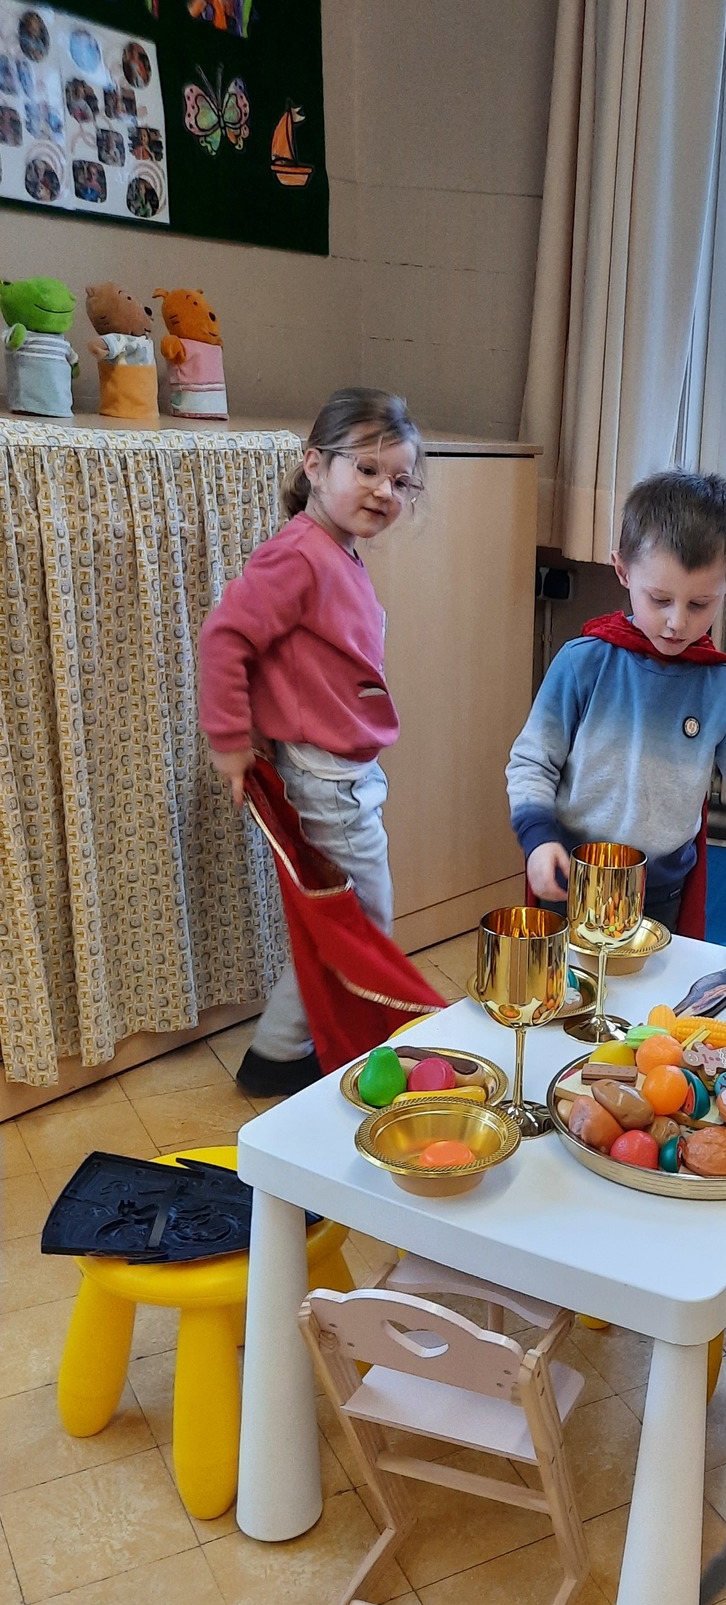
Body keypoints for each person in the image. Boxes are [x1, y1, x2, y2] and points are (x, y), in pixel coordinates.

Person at [198, 388, 425, 1097]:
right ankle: (284, 1051)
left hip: (345, 772)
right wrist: (230, 740)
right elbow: (225, 638)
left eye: (400, 481)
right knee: (357, 924)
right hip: (327, 777)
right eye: (367, 469)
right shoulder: (300, 554)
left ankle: (285, 1049)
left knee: (345, 922)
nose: (384, 491)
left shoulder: (336, 550)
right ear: (315, 466)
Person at [507, 469, 726, 936]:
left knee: (653, 987)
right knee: (565, 984)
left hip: (659, 896)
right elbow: (532, 761)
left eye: (699, 604)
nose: (677, 622)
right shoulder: (582, 663)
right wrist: (537, 839)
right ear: (623, 570)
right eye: (660, 599)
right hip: (571, 880)